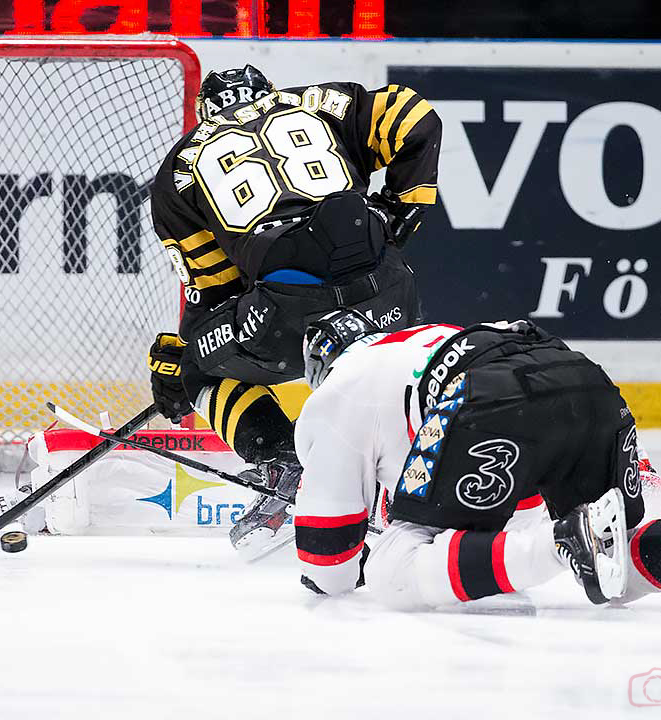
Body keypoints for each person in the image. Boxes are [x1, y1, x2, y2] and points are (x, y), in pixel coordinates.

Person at [292, 311, 661, 607]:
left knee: (394, 572)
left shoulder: (340, 389)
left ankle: (567, 539)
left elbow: (329, 566)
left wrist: (359, 553)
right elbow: (657, 495)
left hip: (489, 401)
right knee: (616, 563)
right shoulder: (424, 345)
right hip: (587, 384)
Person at [147, 66, 442, 556]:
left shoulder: (179, 169)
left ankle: (286, 467)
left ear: (203, 116)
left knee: (194, 366)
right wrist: (399, 213)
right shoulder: (319, 102)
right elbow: (416, 117)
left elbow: (217, 295)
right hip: (390, 289)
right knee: (386, 375)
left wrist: (179, 364)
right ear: (271, 94)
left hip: (291, 314)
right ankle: (415, 486)